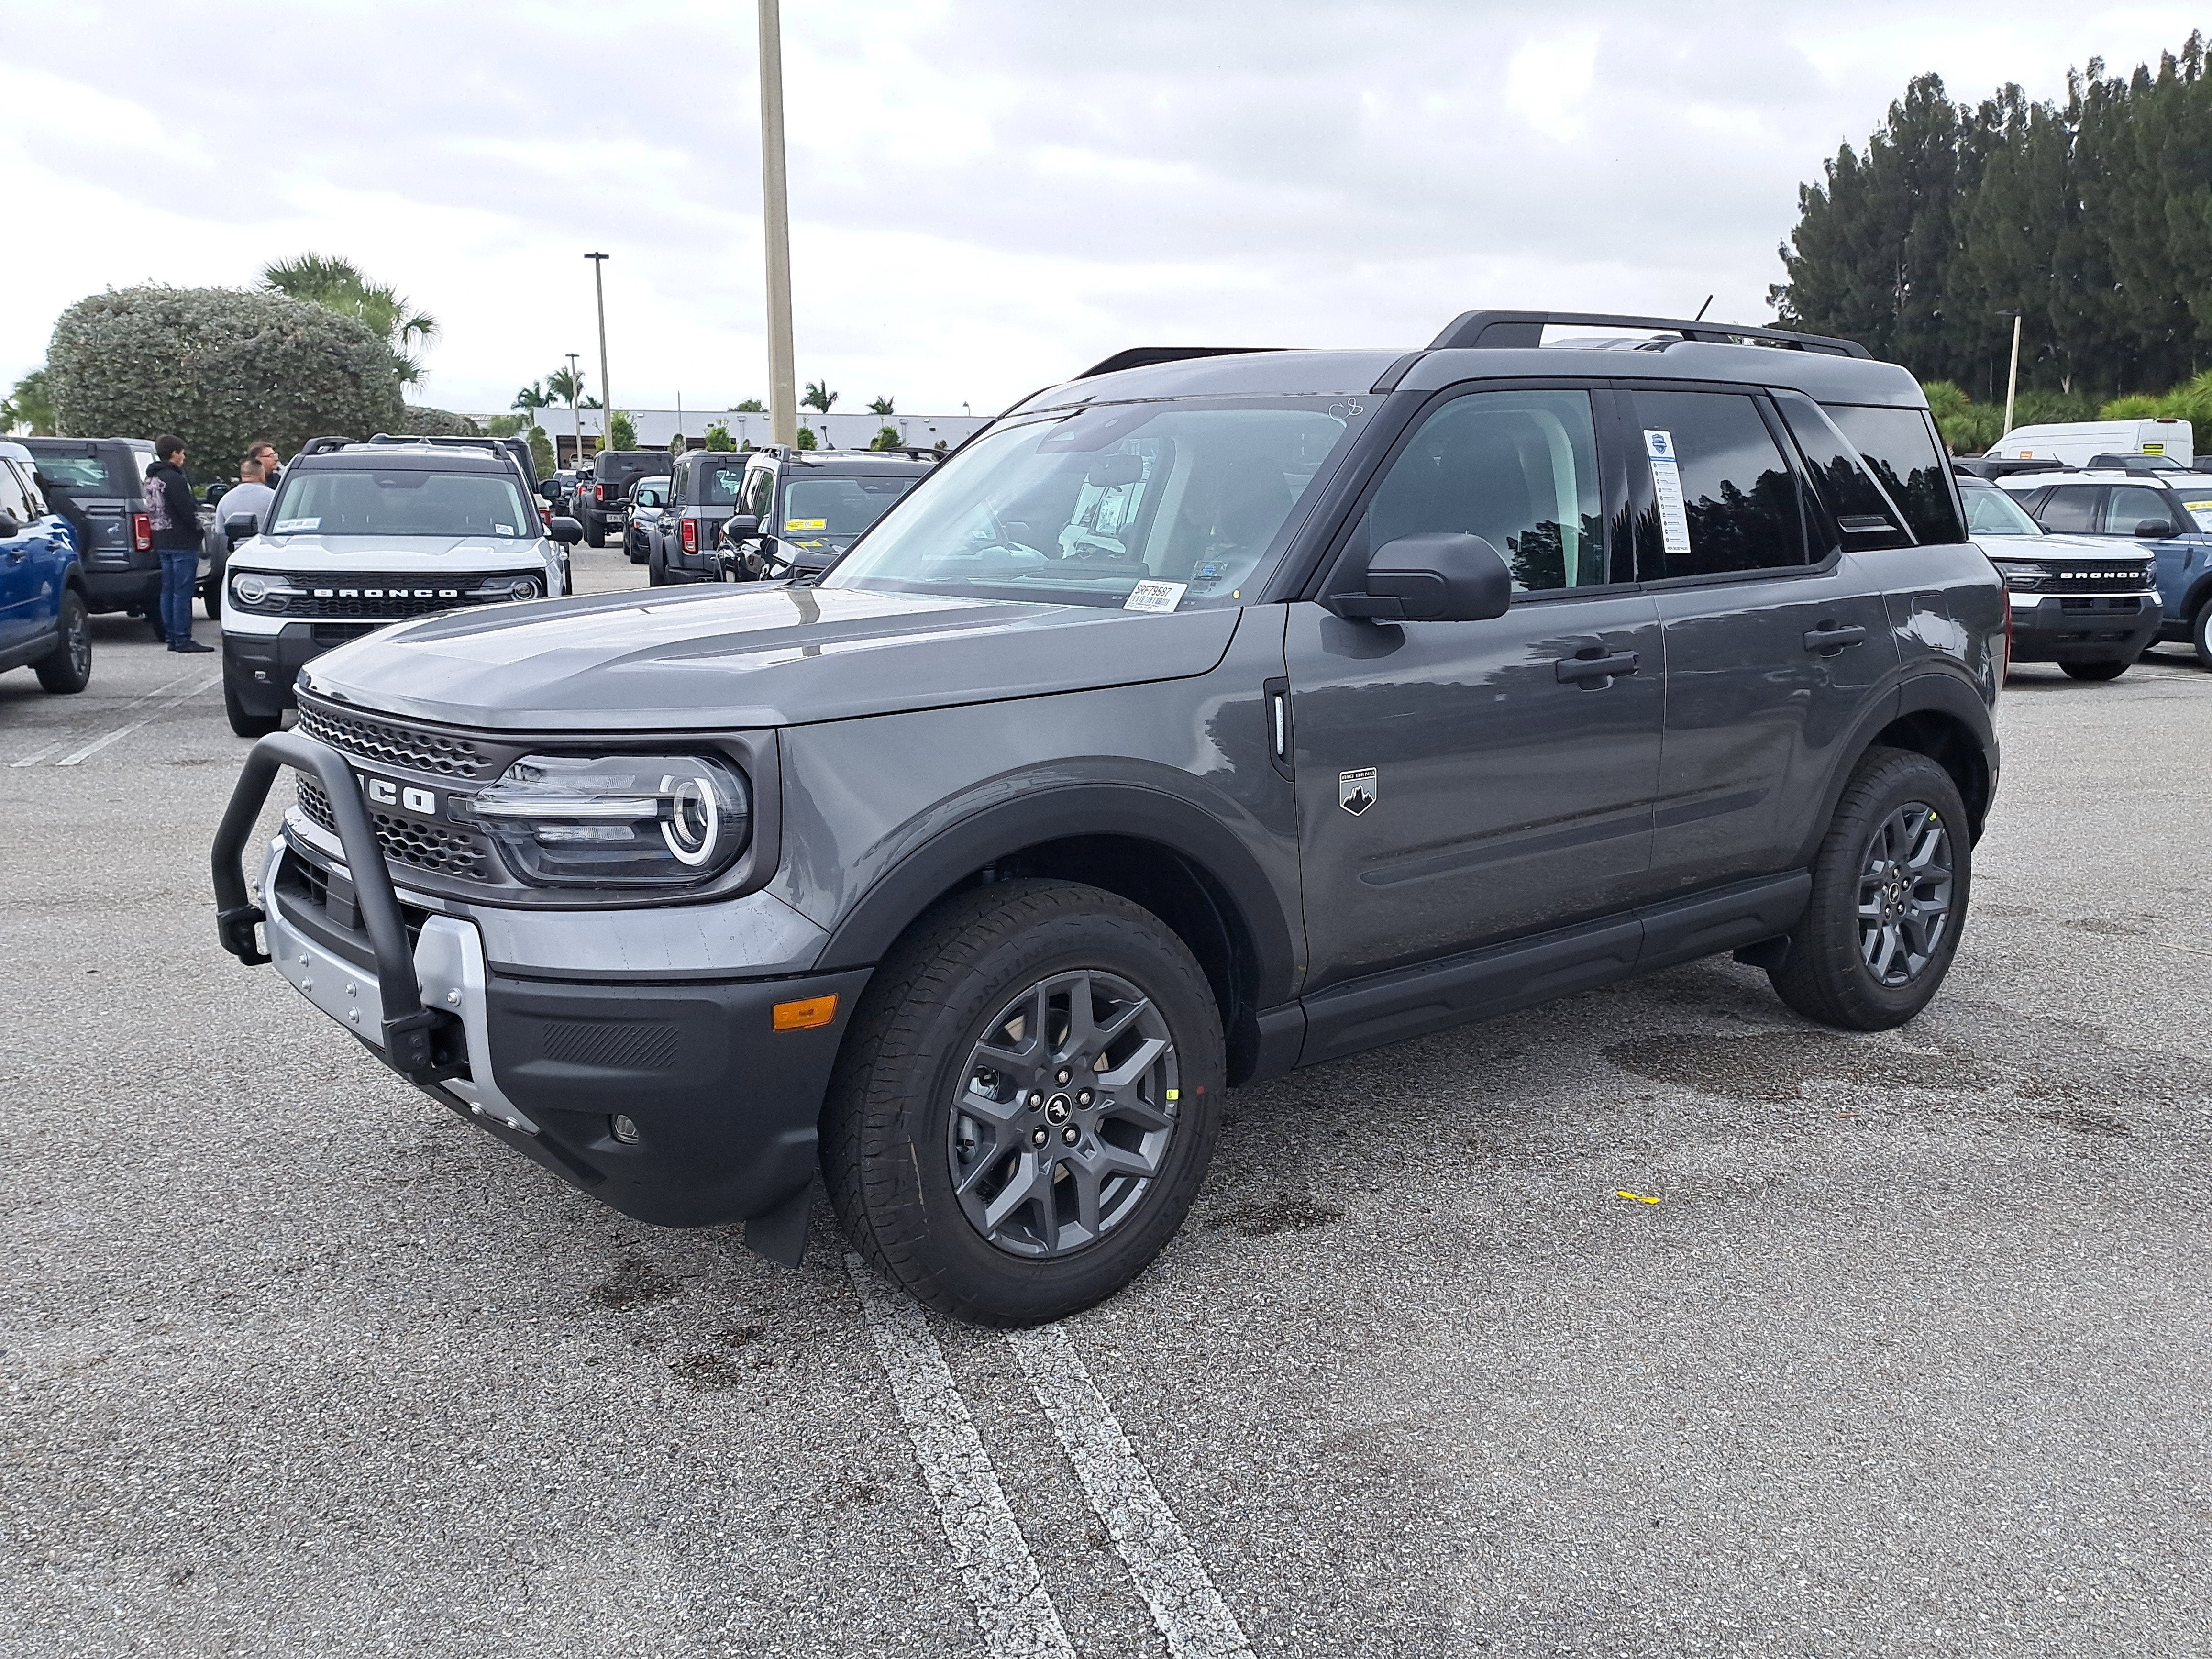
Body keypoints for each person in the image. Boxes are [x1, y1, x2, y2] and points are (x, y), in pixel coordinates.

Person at [145, 434, 211, 653]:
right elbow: (187, 510)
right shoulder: (174, 479)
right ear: (174, 453)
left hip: (162, 538)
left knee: (168, 591)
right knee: (183, 592)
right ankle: (183, 638)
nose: (184, 457)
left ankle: (171, 637)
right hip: (181, 541)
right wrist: (198, 529)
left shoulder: (152, 479)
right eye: (182, 452)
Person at [216, 448, 277, 533]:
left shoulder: (225, 500)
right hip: (265, 545)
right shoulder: (273, 497)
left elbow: (220, 533)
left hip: (237, 546)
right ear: (262, 475)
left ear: (242, 475)